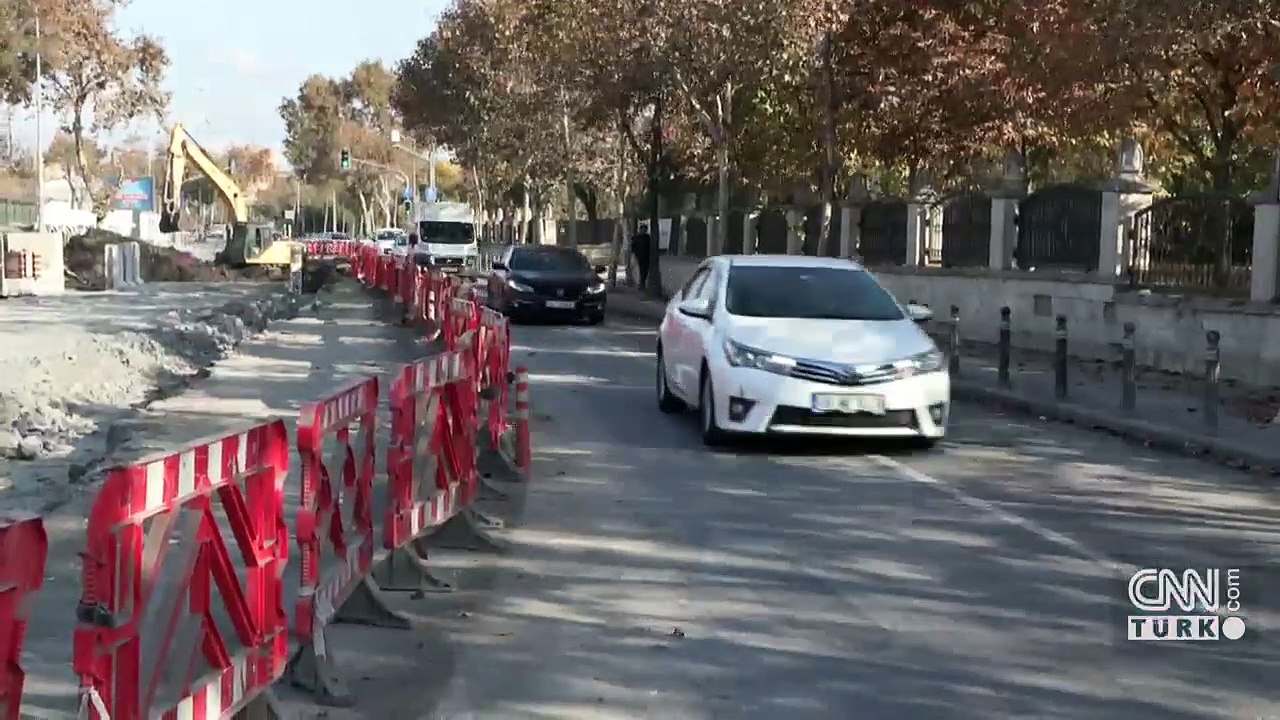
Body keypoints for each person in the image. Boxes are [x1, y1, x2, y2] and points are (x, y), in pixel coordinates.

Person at [630, 223, 652, 289]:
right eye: (643, 229)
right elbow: (633, 247)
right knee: (641, 270)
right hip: (639, 256)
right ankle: (641, 284)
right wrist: (634, 254)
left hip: (646, 256)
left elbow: (649, 246)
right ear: (640, 229)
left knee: (645, 270)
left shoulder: (647, 237)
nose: (644, 231)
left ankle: (642, 283)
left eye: (646, 230)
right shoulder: (636, 237)